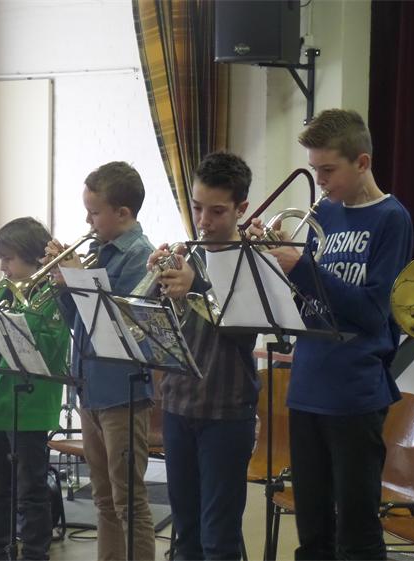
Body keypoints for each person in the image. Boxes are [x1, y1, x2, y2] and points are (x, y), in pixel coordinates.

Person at [248, 108, 413, 560]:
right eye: (314, 169)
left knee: (357, 533)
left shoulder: (391, 218)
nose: (319, 182)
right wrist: (274, 258)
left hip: (355, 392)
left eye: (328, 170)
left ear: (362, 162)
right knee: (313, 533)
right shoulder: (325, 212)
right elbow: (308, 305)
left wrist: (302, 267)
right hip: (307, 386)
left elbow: (373, 312)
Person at [149, 151, 259, 560]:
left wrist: (197, 288)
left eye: (216, 211)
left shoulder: (252, 260)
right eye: (197, 208)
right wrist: (155, 284)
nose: (203, 221)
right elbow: (156, 328)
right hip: (178, 404)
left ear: (240, 209)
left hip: (226, 410)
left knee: (218, 536)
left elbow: (244, 332)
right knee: (186, 533)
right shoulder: (188, 255)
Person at [46, 161, 156, 561]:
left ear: (122, 213)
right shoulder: (98, 252)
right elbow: (81, 323)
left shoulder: (140, 257)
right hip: (89, 388)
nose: (87, 222)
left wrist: (78, 280)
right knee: (103, 498)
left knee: (129, 500)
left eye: (94, 213)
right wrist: (64, 287)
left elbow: (121, 325)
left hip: (122, 392)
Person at [0, 217, 70, 561]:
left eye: (8, 259)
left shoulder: (52, 295)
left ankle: (35, 553)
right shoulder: (3, 291)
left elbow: (47, 349)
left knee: (30, 490)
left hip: (28, 406)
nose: (2, 268)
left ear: (33, 257)